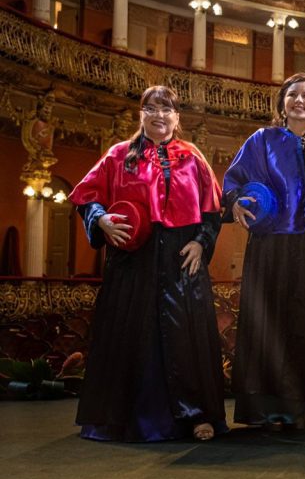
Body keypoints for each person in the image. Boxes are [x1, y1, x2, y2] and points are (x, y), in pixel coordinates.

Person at [68, 86, 225, 442]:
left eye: (166, 109)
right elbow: (86, 198)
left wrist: (201, 243)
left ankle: (195, 415)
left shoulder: (193, 157)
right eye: (151, 108)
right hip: (133, 259)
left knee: (186, 338)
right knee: (132, 335)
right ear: (140, 114)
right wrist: (101, 219)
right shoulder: (118, 155)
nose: (159, 115)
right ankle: (123, 419)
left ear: (177, 117)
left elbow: (213, 210)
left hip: (181, 259)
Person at [222, 73, 305, 430]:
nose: (299, 101)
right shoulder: (262, 139)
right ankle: (265, 409)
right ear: (282, 104)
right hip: (270, 245)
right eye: (292, 95)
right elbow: (234, 180)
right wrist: (235, 200)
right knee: (268, 323)